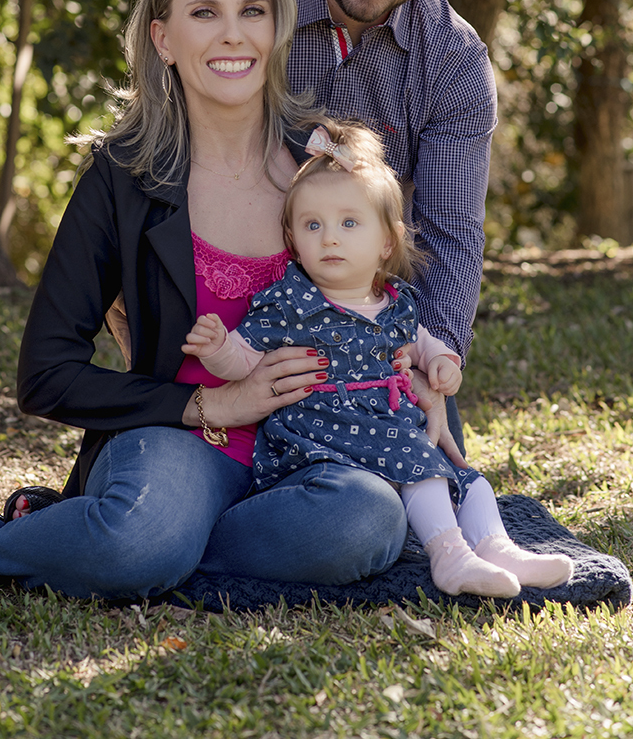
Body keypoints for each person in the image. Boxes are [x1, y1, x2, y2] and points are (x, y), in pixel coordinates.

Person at [0, 0, 428, 598]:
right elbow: (47, 373)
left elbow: (383, 302)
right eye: (203, 12)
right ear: (164, 38)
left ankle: (109, 539)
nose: (232, 34)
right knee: (146, 534)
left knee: (370, 521)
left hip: (313, 455)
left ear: (277, 28)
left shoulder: (324, 161)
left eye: (252, 11)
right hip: (181, 446)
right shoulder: (123, 177)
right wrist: (213, 402)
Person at [185, 121, 574, 598]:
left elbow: (425, 342)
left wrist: (442, 363)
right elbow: (245, 362)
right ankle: (449, 557)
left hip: (390, 427)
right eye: (313, 225)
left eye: (349, 223)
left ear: (386, 242)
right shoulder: (289, 301)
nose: (330, 238)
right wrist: (219, 348)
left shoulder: (397, 301)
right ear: (292, 237)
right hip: (320, 435)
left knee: (469, 481)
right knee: (419, 464)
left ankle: (496, 546)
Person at [280, 0, 497, 443]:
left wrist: (435, 359)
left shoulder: (453, 57)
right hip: (241, 316)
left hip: (370, 326)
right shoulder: (249, 12)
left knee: (424, 506)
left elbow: (449, 233)